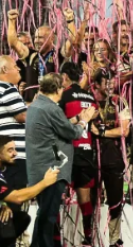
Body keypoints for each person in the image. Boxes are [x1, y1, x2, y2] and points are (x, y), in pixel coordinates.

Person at [26, 74, 96, 247]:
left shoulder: (37, 106)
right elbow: (72, 133)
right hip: (51, 171)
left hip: (39, 169)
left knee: (45, 214)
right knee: (47, 216)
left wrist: (77, 119)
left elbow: (59, 126)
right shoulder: (51, 108)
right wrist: (84, 121)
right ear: (57, 90)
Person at [58, 62, 100, 247]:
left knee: (57, 195)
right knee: (84, 197)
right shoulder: (90, 96)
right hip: (86, 151)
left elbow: (58, 123)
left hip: (68, 152)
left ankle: (55, 238)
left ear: (65, 77)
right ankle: (88, 237)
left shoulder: (63, 95)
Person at [92, 70, 131, 247]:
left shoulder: (119, 101)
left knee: (115, 201)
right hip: (91, 158)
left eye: (111, 83)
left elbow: (124, 130)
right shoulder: (89, 102)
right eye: (105, 83)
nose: (109, 86)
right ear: (97, 85)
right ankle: (89, 237)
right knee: (91, 201)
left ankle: (114, 240)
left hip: (113, 158)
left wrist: (101, 132)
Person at [0, 135, 60, 247]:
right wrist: (45, 182)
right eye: (10, 150)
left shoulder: (4, 170)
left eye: (15, 149)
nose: (16, 153)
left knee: (22, 218)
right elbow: (17, 198)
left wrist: (3, 204)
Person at [6, 10, 60, 103]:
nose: (36, 41)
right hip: (31, 106)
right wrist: (11, 21)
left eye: (40, 38)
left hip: (52, 105)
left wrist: (70, 20)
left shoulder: (58, 56)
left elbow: (75, 43)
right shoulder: (31, 55)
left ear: (51, 38)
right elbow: (13, 43)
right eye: (35, 37)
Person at [0, 57, 26, 192]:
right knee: (14, 200)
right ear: (4, 69)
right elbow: (23, 116)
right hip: (14, 155)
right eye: (15, 66)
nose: (19, 69)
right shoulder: (7, 88)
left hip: (3, 154)